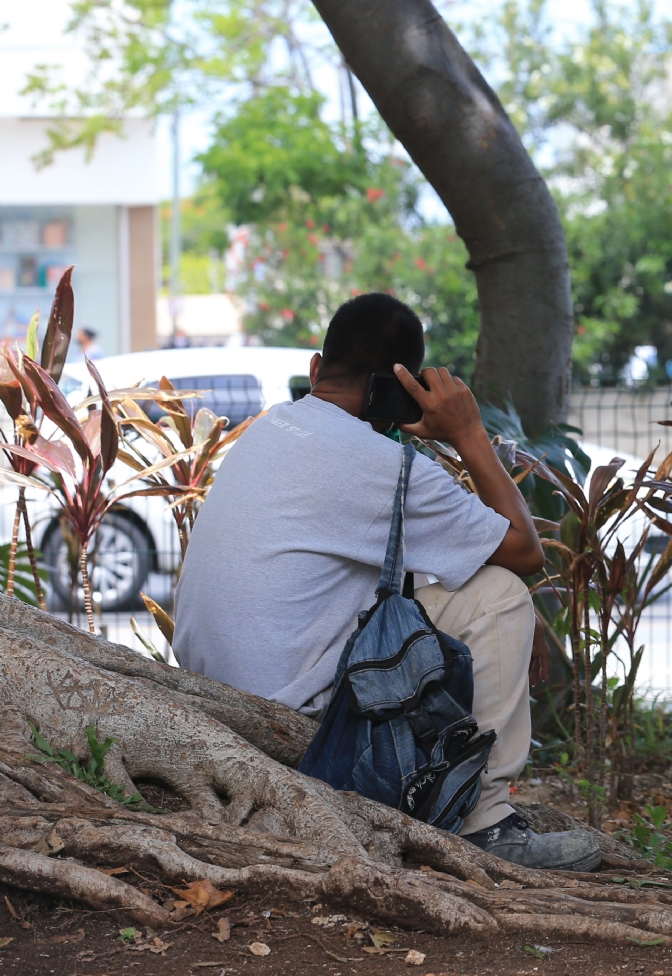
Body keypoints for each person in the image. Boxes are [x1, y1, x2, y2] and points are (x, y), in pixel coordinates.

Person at [174, 293, 599, 872]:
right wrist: (469, 433)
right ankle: (486, 824)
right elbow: (524, 552)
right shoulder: (386, 465)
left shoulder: (271, 429)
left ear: (316, 369)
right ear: (400, 393)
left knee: (482, 588)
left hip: (211, 704)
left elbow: (384, 570)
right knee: (501, 597)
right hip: (299, 727)